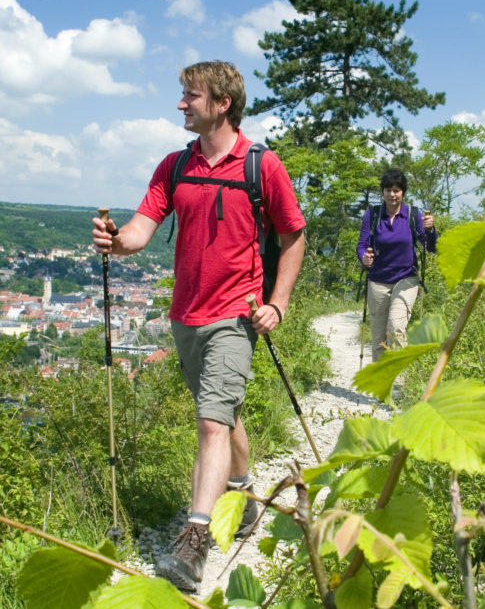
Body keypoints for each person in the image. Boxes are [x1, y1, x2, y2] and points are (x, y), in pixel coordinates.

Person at [92, 60, 305, 592]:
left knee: (210, 422)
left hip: (236, 314)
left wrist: (277, 304)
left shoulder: (262, 166)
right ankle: (244, 490)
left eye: (191, 96)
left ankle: (193, 542)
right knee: (222, 413)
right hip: (184, 315)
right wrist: (115, 242)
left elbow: (294, 235)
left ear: (222, 104)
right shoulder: (174, 165)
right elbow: (142, 229)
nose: (181, 104)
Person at [357, 169, 436, 362]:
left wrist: (430, 230)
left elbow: (430, 246)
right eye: (388, 190)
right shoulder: (373, 215)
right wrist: (364, 258)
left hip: (406, 278)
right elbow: (362, 245)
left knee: (396, 327)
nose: (392, 194)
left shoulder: (413, 215)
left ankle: (399, 385)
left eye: (397, 190)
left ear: (403, 192)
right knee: (378, 337)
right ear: (382, 192)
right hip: (378, 280)